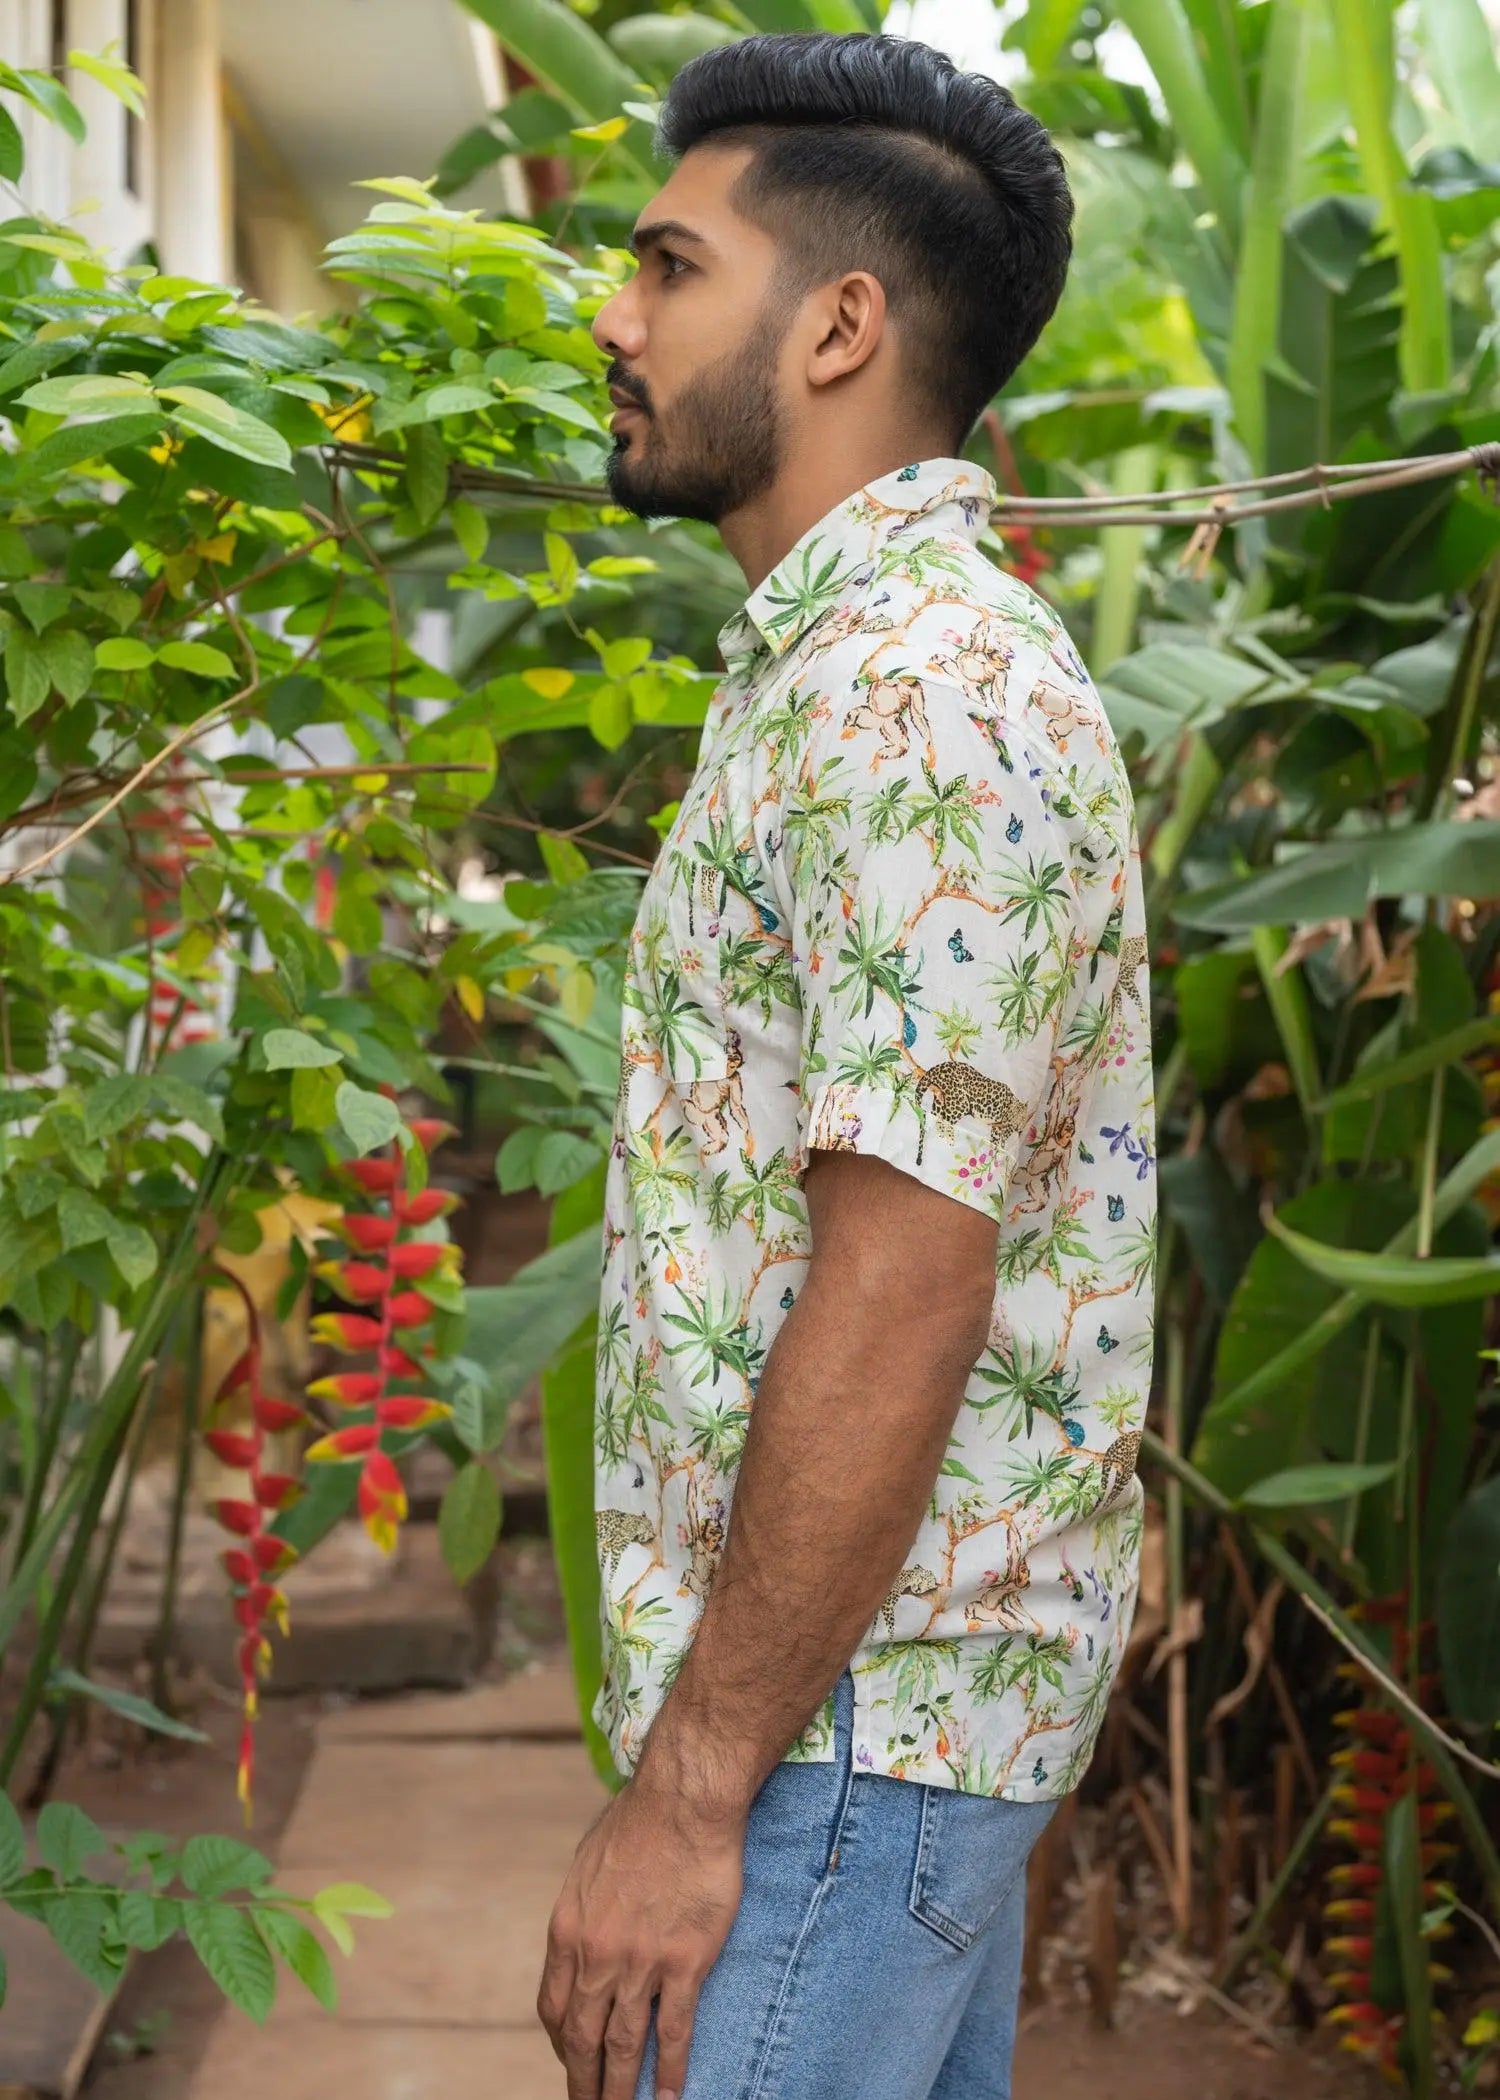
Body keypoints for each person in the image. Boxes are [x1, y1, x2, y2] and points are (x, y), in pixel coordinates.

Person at [536, 30, 1156, 2100]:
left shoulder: (922, 704)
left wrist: (690, 1798)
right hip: (864, 1733)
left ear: (838, 325)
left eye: (664, 266)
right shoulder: (854, 682)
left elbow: (903, 1279)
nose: (611, 321)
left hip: (842, 1752)